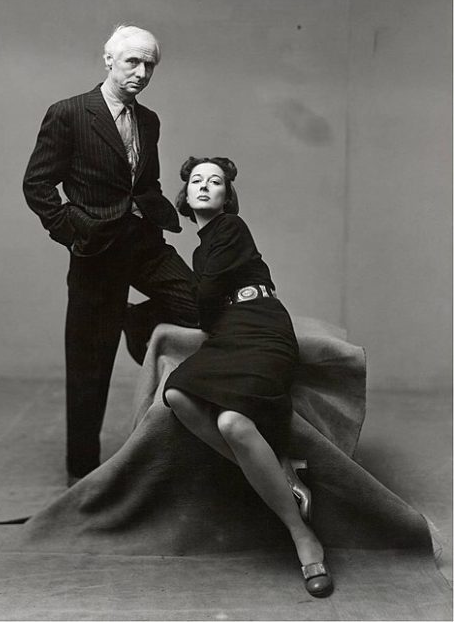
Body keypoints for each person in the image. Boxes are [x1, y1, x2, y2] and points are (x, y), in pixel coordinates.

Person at [23, 25, 198, 484]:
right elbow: (37, 183)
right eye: (132, 62)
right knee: (89, 366)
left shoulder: (149, 120)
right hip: (96, 251)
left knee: (199, 303)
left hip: (143, 244)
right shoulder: (69, 113)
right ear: (109, 61)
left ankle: (134, 320)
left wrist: (162, 211)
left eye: (149, 65)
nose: (141, 72)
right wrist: (73, 231)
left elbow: (146, 181)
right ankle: (81, 474)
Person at [163, 156, 333, 598]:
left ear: (227, 196)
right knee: (177, 394)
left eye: (214, 181)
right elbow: (206, 308)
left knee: (232, 422)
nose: (204, 186)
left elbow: (204, 296)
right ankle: (282, 471)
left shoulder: (230, 228)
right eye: (196, 180)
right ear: (185, 195)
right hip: (230, 333)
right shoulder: (201, 248)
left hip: (262, 327)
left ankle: (301, 534)